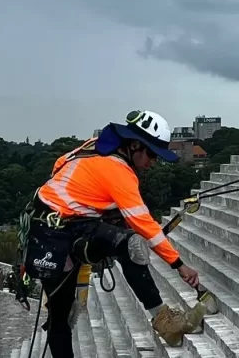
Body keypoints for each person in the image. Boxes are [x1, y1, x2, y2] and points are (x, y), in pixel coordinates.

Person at [20, 110, 205, 355]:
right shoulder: (119, 171)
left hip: (47, 226)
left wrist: (93, 204)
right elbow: (144, 224)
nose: (153, 162)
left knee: (59, 316)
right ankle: (165, 322)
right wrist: (179, 264)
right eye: (151, 154)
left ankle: (163, 320)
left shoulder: (93, 146)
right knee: (129, 248)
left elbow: (59, 165)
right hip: (58, 234)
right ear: (135, 145)